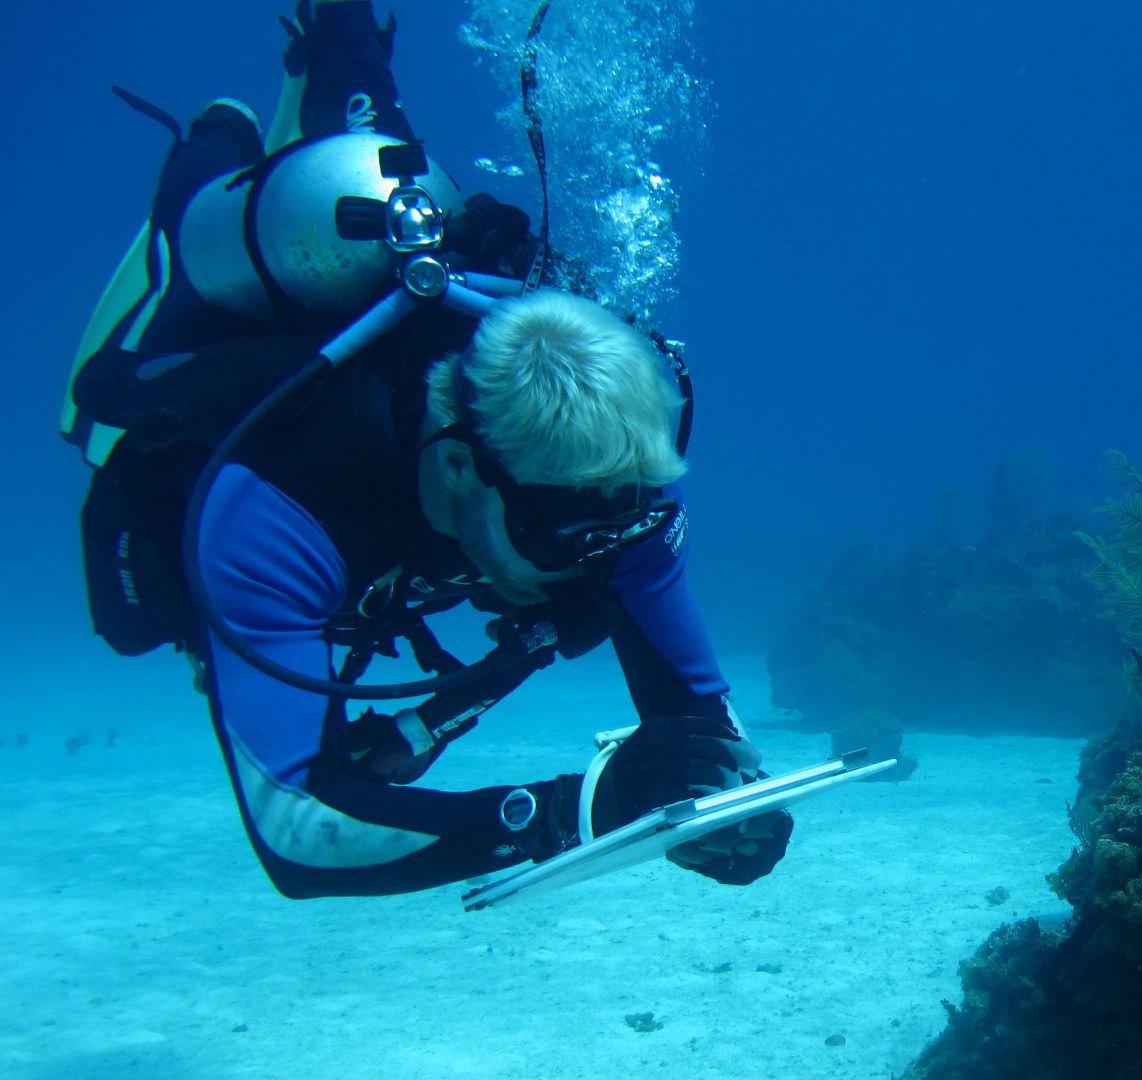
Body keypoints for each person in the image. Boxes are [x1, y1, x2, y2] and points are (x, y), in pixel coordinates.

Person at [63, 0, 792, 899]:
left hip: (402, 262)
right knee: (187, 227)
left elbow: (694, 711)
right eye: (567, 539)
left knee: (369, 115)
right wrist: (568, 815)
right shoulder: (275, 505)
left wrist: (720, 785)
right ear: (459, 469)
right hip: (226, 367)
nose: (600, 560)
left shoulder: (604, 492)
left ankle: (338, 46)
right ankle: (222, 137)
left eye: (620, 533)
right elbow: (296, 831)